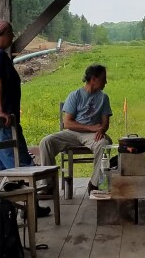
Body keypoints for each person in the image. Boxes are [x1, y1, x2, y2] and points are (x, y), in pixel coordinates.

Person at [0, 19, 52, 217]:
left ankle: (5, 211)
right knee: (21, 165)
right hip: (2, 121)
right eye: (9, 33)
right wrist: (2, 111)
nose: (12, 36)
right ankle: (28, 209)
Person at [39, 64, 113, 192]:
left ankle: (94, 184)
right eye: (103, 78)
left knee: (104, 144)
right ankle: (47, 184)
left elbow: (105, 122)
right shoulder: (75, 95)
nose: (106, 82)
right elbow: (67, 123)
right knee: (46, 142)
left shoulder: (103, 98)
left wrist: (102, 129)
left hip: (92, 136)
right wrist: (90, 127)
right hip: (72, 133)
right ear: (93, 79)